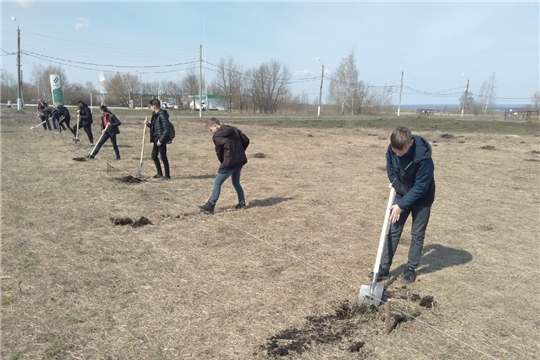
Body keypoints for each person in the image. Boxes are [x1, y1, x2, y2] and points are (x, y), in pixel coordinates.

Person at [369, 126, 436, 284]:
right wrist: (394, 182)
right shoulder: (393, 149)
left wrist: (401, 205)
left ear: (410, 143)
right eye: (395, 150)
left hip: (422, 199)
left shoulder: (424, 159)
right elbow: (390, 167)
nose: (398, 154)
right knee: (393, 230)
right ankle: (383, 269)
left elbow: (420, 187)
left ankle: (410, 269)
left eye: (402, 151)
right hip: (401, 193)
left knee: (417, 234)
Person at [198, 117, 250, 215]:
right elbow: (246, 140)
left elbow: (219, 152)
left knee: (217, 181)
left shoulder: (217, 136)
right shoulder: (233, 129)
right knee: (236, 182)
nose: (211, 132)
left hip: (230, 162)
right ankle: (242, 202)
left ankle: (211, 205)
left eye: (211, 130)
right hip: (239, 160)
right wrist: (240, 152)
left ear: (215, 126)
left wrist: (224, 162)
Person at [144, 99, 175, 180]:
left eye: (151, 106)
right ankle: (159, 173)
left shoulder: (162, 115)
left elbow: (166, 129)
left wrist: (161, 140)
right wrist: (148, 124)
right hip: (155, 138)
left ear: (154, 106)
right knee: (154, 156)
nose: (150, 108)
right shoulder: (155, 115)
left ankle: (167, 175)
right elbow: (156, 127)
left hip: (161, 139)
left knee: (163, 157)